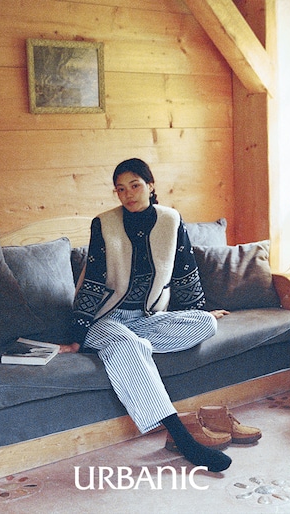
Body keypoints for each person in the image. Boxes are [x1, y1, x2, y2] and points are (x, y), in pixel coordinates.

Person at [67, 157, 232, 472]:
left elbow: (185, 272)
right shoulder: (104, 224)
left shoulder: (171, 220)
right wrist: (77, 336)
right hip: (104, 320)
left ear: (150, 185)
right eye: (120, 189)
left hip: (145, 319)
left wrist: (200, 311)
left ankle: (128, 351)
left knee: (206, 324)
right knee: (127, 342)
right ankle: (184, 439)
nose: (128, 194)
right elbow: (93, 282)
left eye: (135, 185)